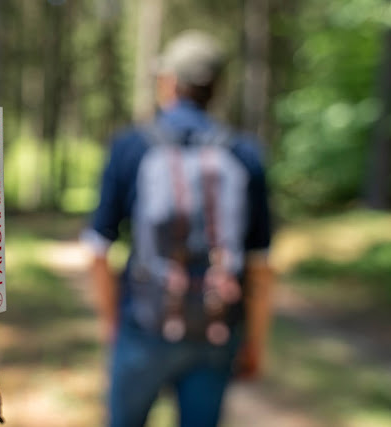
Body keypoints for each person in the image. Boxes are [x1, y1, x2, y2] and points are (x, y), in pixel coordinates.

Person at [82, 30, 273, 427]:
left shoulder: (131, 145)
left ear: (168, 81)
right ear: (216, 87)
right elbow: (260, 266)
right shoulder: (245, 153)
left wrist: (111, 325)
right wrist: (254, 339)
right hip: (217, 330)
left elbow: (97, 250)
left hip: (143, 325)